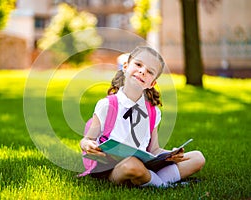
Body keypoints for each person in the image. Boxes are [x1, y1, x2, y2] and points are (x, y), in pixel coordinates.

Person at [80, 46, 205, 187]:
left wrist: (171, 154)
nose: (142, 71)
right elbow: (87, 139)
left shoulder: (152, 112)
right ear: (126, 67)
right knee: (132, 165)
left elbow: (154, 150)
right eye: (138, 64)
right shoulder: (107, 105)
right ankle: (163, 185)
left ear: (152, 84)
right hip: (114, 169)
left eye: (150, 71)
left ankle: (149, 179)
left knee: (197, 157)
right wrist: (88, 145)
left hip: (143, 166)